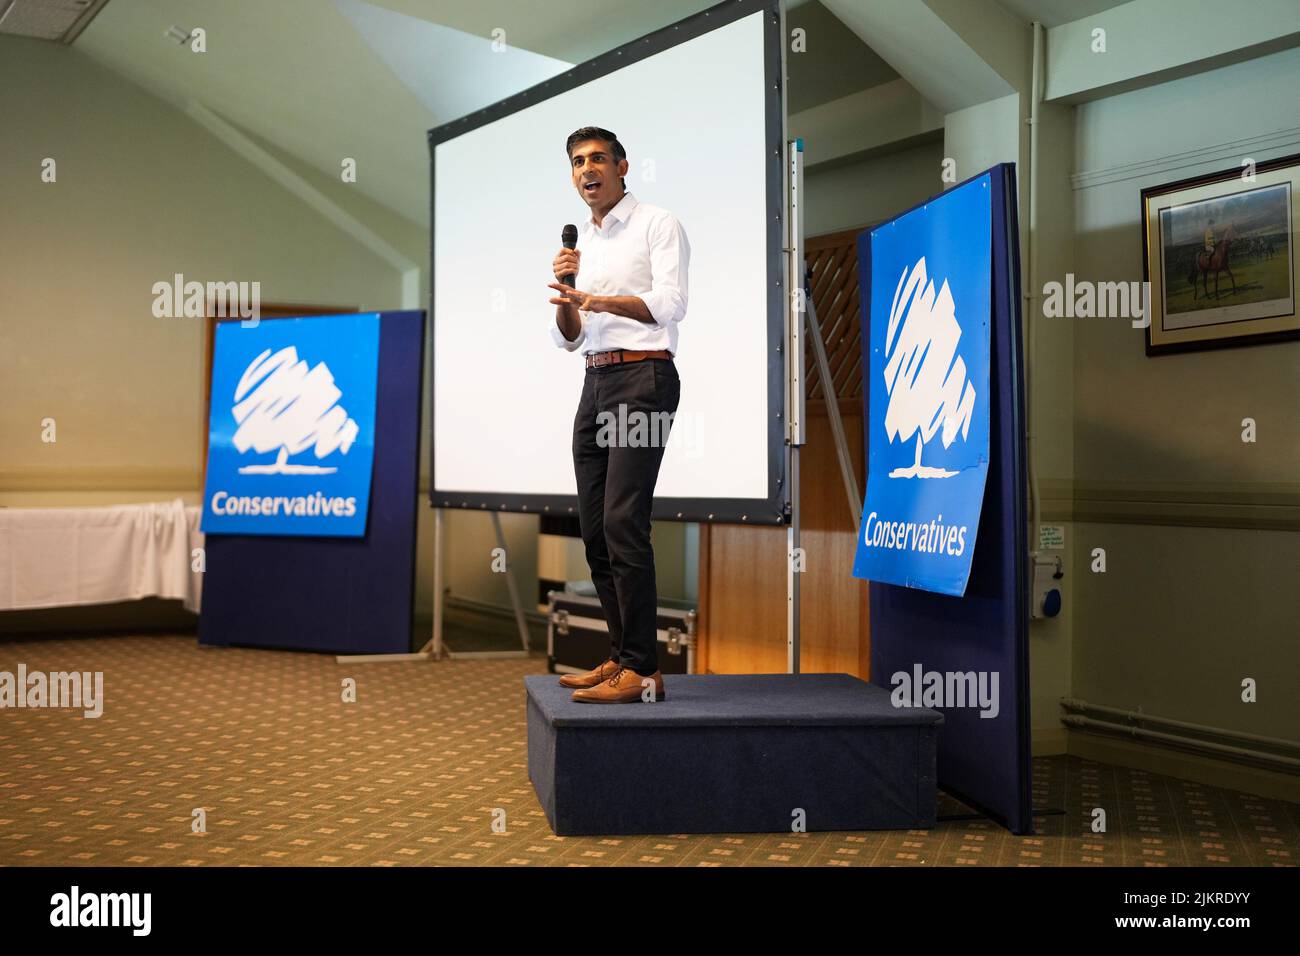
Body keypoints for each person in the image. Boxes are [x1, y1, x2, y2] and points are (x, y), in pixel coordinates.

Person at [546, 126, 690, 704]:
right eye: (578, 161)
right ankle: (620, 656)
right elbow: (569, 338)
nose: (588, 169)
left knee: (624, 522)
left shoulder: (658, 223)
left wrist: (596, 299)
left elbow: (670, 304)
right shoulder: (583, 245)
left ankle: (645, 670)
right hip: (596, 379)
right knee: (595, 529)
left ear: (622, 166)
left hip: (644, 377)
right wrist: (566, 294)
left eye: (598, 158)